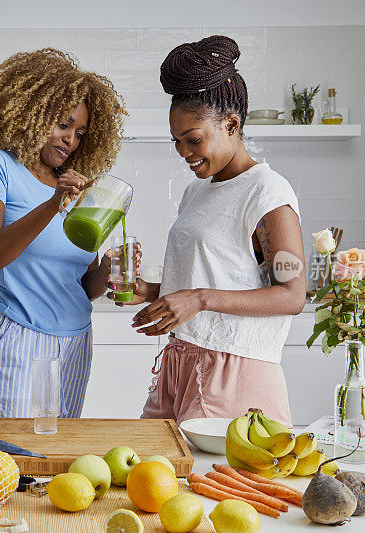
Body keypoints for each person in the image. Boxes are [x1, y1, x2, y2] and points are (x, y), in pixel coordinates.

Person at [113, 35, 306, 426]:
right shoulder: (196, 192)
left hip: (234, 372)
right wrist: (154, 293)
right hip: (178, 361)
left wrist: (198, 298)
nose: (184, 152)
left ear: (231, 124)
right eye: (177, 141)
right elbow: (214, 273)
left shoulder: (267, 192)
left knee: (214, 486)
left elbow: (292, 294)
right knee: (150, 478)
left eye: (194, 139)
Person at [0, 48, 129, 418]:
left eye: (80, 132)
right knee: (12, 459)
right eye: (63, 124)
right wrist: (53, 204)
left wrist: (110, 270)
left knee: (59, 461)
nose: (71, 139)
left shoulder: (73, 188)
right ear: (31, 114)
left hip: (76, 340)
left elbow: (81, 285)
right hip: (17, 336)